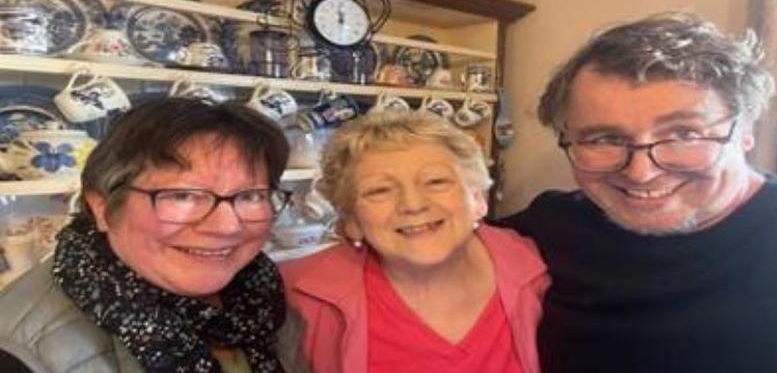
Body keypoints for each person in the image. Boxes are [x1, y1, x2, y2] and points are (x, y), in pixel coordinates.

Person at [502, 12, 777, 373]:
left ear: (745, 130)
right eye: (605, 138)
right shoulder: (549, 228)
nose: (641, 173)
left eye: (684, 134)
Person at [0, 98, 310, 373]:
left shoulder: (259, 295)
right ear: (103, 208)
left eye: (251, 196)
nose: (227, 226)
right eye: (182, 196)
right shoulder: (19, 351)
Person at [280, 111, 549, 373]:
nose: (413, 204)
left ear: (478, 199)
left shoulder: (537, 268)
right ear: (351, 221)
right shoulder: (296, 295)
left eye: (436, 181)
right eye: (380, 190)